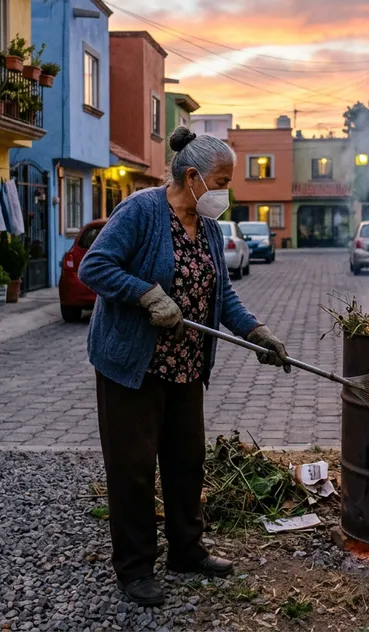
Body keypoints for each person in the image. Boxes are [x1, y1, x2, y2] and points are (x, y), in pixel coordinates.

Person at [78, 127, 290, 608]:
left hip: (186, 366)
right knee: (132, 470)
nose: (226, 190)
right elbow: (95, 266)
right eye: (221, 179)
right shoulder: (141, 210)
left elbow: (222, 294)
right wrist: (147, 294)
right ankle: (134, 569)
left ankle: (186, 551)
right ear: (192, 176)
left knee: (185, 462)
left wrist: (254, 332)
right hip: (132, 366)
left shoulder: (210, 227)